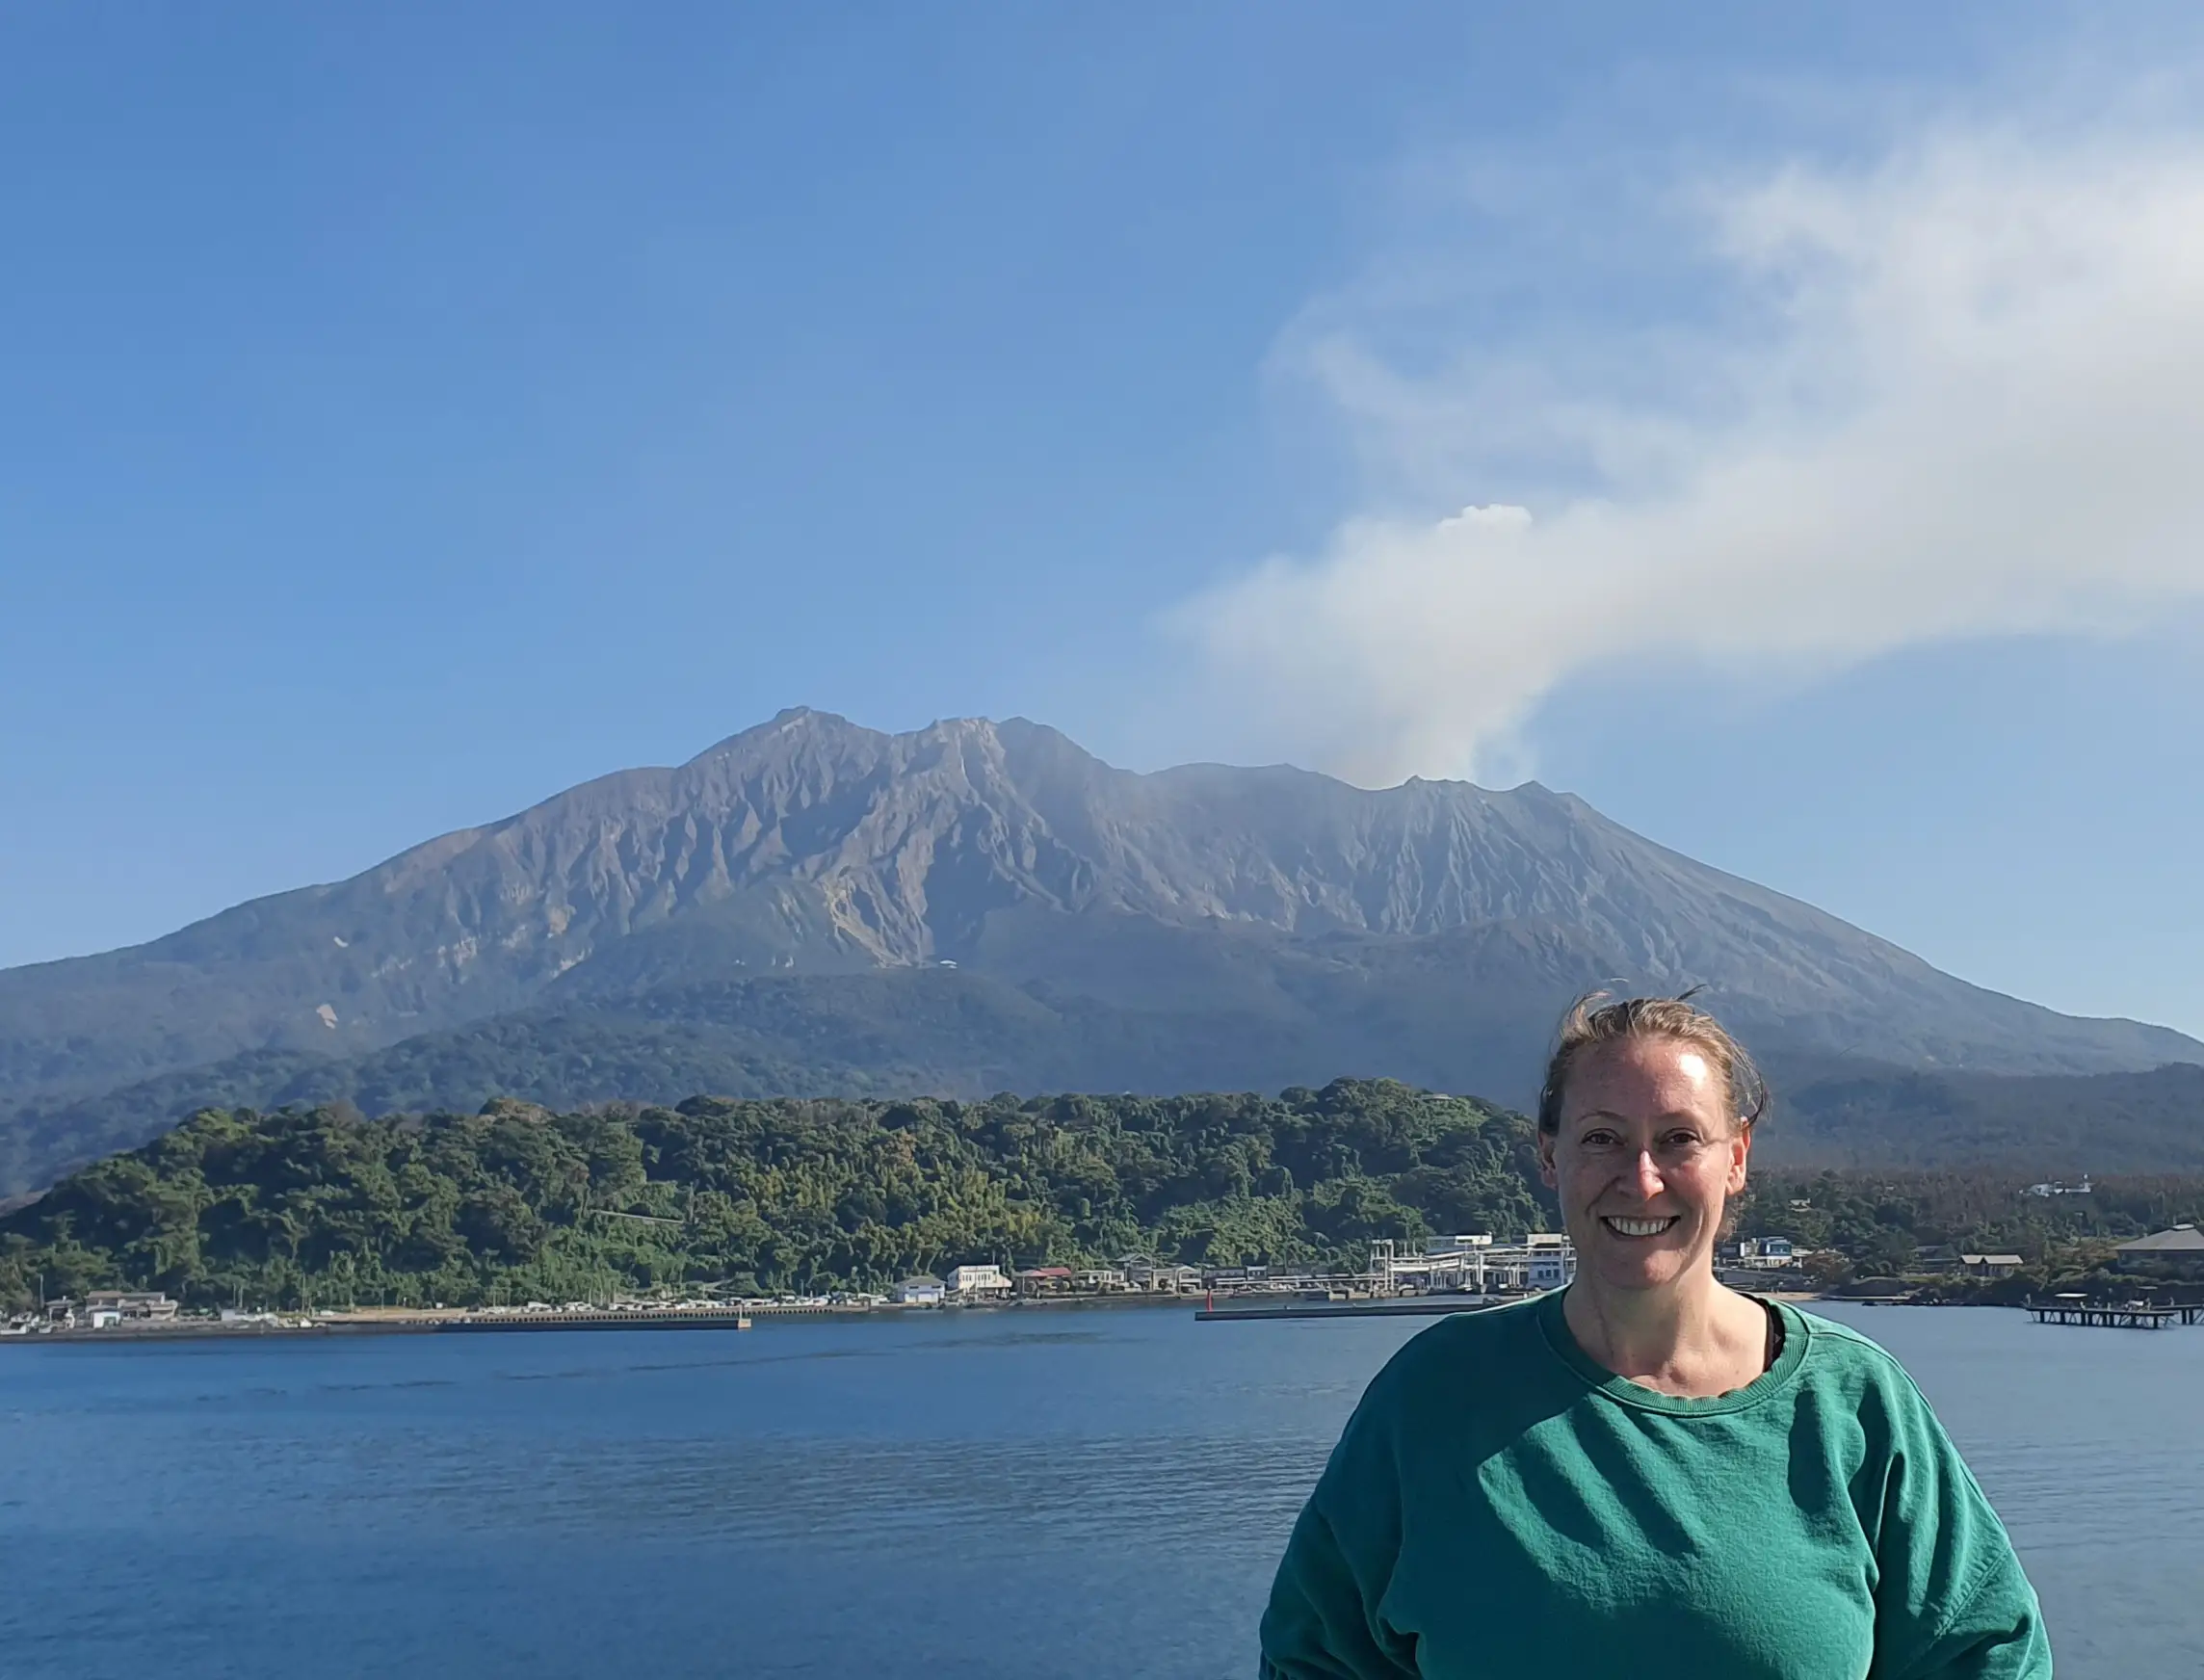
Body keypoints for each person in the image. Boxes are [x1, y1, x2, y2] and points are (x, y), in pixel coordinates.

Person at [1259, 993, 2050, 1679]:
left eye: (1679, 1139)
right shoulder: (1434, 1399)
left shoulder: (1851, 1405)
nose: (1641, 1179)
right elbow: (1314, 1656)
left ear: (1736, 1157)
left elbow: (1985, 1653)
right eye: (1602, 1138)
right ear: (1549, 1156)